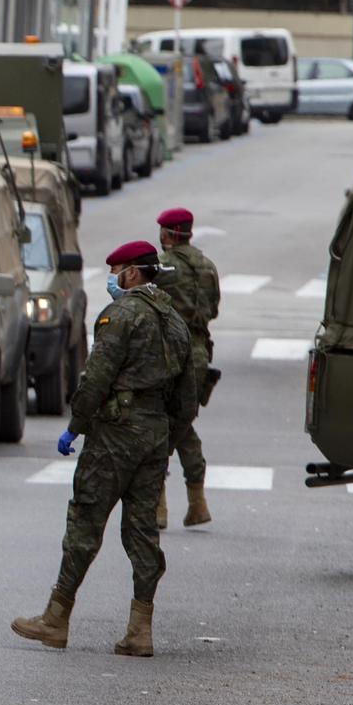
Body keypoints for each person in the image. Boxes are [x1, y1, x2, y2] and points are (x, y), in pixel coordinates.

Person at [11, 240, 195, 658]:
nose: (113, 278)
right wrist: (167, 441)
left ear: (132, 274)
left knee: (85, 522)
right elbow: (188, 398)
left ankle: (56, 619)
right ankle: (140, 629)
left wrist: (75, 427)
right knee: (143, 531)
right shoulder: (176, 322)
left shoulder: (120, 316)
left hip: (114, 435)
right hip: (154, 435)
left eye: (117, 271)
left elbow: (96, 378)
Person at [156, 207, 219, 529]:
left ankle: (159, 506)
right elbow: (214, 310)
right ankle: (197, 502)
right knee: (183, 424)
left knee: (163, 427)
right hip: (199, 355)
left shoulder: (163, 266)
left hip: (170, 353)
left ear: (167, 233)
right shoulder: (207, 266)